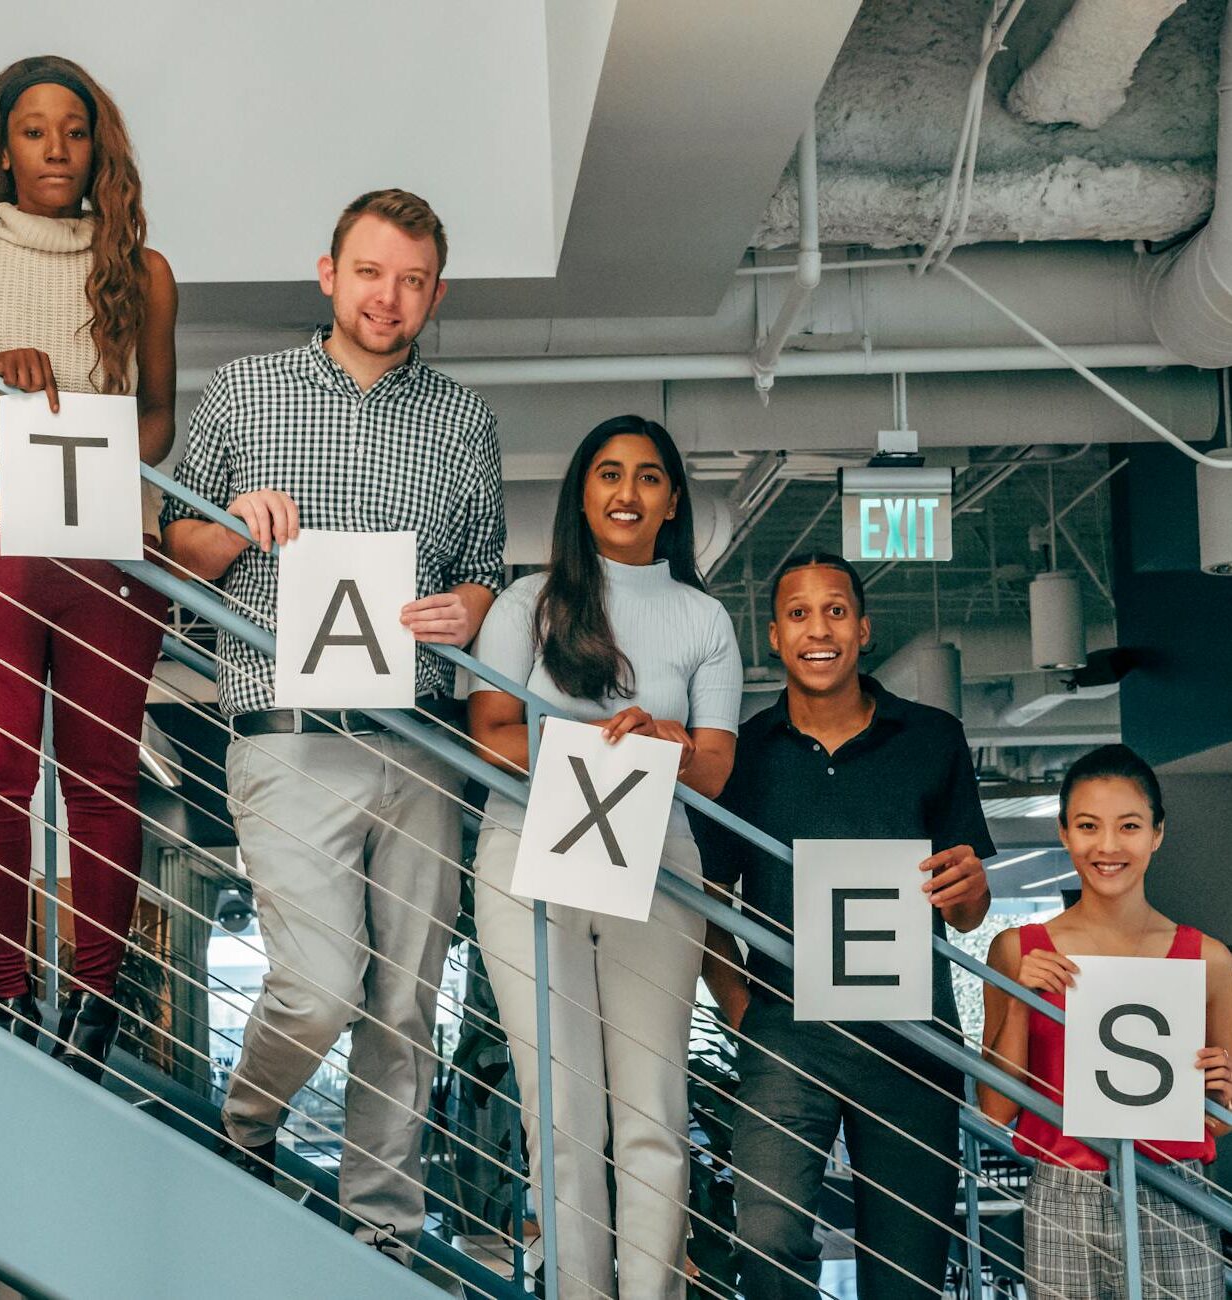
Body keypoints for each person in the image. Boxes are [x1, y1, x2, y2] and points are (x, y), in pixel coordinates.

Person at [162, 189, 505, 1258]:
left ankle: (382, 1237)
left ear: (435, 293)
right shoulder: (245, 391)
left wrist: (476, 606)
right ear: (328, 272)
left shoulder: (464, 419)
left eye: (412, 280)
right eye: (370, 272)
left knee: (403, 1002)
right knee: (316, 986)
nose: (388, 297)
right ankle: (248, 1124)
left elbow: (486, 568)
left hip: (420, 738)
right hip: (286, 730)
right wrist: (230, 527)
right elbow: (172, 549)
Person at [0, 55, 176, 1076]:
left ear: (96, 146)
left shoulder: (143, 270)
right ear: (1, 146)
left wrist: (100, 429)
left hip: (106, 549)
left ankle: (95, 1003)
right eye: (33, 131)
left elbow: (160, 424)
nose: (55, 150)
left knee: (103, 777)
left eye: (73, 131)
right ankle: (4, 989)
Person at [469, 416, 743, 1298]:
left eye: (650, 477)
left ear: (672, 502)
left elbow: (716, 767)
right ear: (582, 493)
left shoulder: (703, 616)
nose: (628, 493)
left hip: (657, 854)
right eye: (609, 474)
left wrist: (663, 738)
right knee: (562, 1109)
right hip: (528, 850)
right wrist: (588, 737)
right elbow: (489, 738)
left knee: (653, 1113)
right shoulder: (526, 603)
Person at [692, 553, 993, 1299]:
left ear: (863, 629)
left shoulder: (933, 738)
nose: (817, 629)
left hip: (912, 1040)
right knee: (764, 1238)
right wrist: (745, 1014)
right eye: (798, 613)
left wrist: (971, 891)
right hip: (787, 1037)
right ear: (773, 636)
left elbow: (967, 909)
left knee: (905, 1274)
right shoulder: (744, 755)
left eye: (834, 611)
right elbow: (704, 902)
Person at [979, 744, 1232, 1300]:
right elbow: (995, 1109)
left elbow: (1219, 1119)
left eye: (1130, 826)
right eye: (1089, 826)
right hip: (1065, 1190)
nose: (1109, 846)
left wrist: (1220, 1093)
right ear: (1065, 833)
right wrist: (1022, 998)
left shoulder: (1207, 958)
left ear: (1157, 834)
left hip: (1174, 1187)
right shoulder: (1019, 949)